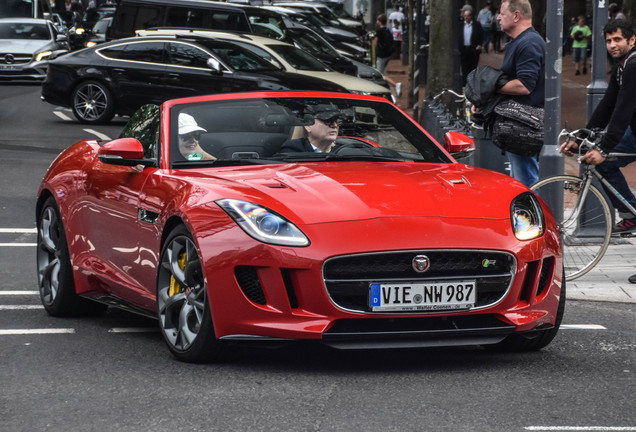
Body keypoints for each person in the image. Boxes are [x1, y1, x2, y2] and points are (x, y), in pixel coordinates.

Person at [559, 19, 636, 240]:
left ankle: (631, 214)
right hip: (633, 133)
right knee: (603, 162)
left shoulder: (633, 65)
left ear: (632, 40)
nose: (612, 44)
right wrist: (582, 137)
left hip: (632, 131)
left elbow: (623, 111)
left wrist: (603, 149)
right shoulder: (622, 67)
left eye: (618, 39)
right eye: (609, 41)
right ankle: (631, 213)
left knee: (604, 159)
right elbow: (607, 105)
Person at [496, 0, 545, 187]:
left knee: (527, 182)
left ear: (516, 16)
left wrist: (490, 87)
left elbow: (524, 85)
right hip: (520, 122)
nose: (498, 17)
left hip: (525, 124)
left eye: (502, 13)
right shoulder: (521, 42)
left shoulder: (529, 43)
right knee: (521, 179)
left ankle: (534, 216)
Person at [279, 104, 343, 153]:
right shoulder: (293, 151)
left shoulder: (342, 151)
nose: (335, 125)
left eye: (337, 121)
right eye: (327, 120)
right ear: (308, 125)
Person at [373, 14, 402, 98]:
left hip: (381, 55)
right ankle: (387, 87)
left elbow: (375, 44)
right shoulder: (387, 30)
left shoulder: (379, 31)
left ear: (379, 21)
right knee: (383, 72)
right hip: (387, 55)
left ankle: (395, 84)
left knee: (380, 74)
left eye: (377, 20)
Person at [459, 10, 483, 87]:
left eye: (468, 15)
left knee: (472, 68)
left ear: (471, 16)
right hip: (464, 50)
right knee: (464, 69)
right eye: (465, 15)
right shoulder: (460, 25)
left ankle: (472, 85)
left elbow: (481, 35)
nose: (466, 17)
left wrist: (479, 45)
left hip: (473, 50)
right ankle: (464, 86)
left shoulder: (477, 25)